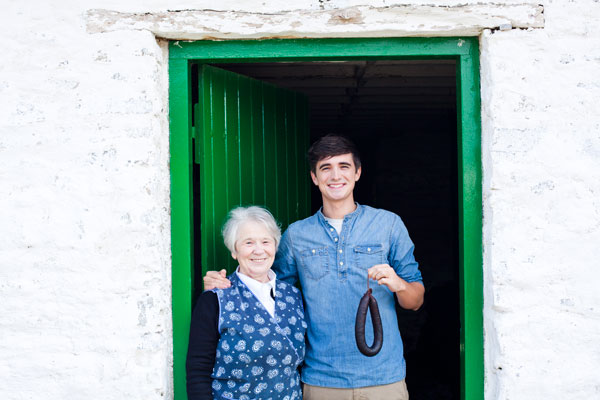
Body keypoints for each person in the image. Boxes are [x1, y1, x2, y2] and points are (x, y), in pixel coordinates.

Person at [205, 135, 424, 400]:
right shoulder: (297, 235)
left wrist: (399, 284)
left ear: (357, 173)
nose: (335, 175)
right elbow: (267, 290)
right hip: (321, 380)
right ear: (314, 177)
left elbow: (415, 301)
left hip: (384, 378)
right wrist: (223, 284)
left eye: (344, 166)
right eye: (325, 168)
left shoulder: (388, 224)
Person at [186, 206, 307, 400]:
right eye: (248, 242)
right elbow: (198, 370)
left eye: (266, 241)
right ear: (235, 250)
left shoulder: (293, 296)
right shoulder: (215, 300)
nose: (259, 250)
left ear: (275, 246)